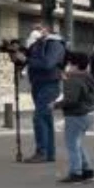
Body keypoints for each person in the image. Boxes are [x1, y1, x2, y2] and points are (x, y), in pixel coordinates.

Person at [24, 24, 67, 163]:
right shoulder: (37, 44)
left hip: (50, 84)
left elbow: (48, 63)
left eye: (39, 28)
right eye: (34, 28)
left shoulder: (55, 44)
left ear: (47, 30)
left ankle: (42, 152)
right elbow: (27, 60)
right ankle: (49, 153)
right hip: (38, 83)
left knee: (39, 117)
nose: (35, 30)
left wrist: (28, 60)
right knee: (46, 119)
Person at [56, 51, 94, 183]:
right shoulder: (88, 77)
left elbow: (71, 99)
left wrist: (55, 105)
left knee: (72, 144)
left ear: (73, 64)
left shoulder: (72, 78)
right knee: (77, 142)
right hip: (89, 112)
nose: (67, 65)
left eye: (69, 63)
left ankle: (76, 172)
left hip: (76, 114)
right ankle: (86, 170)